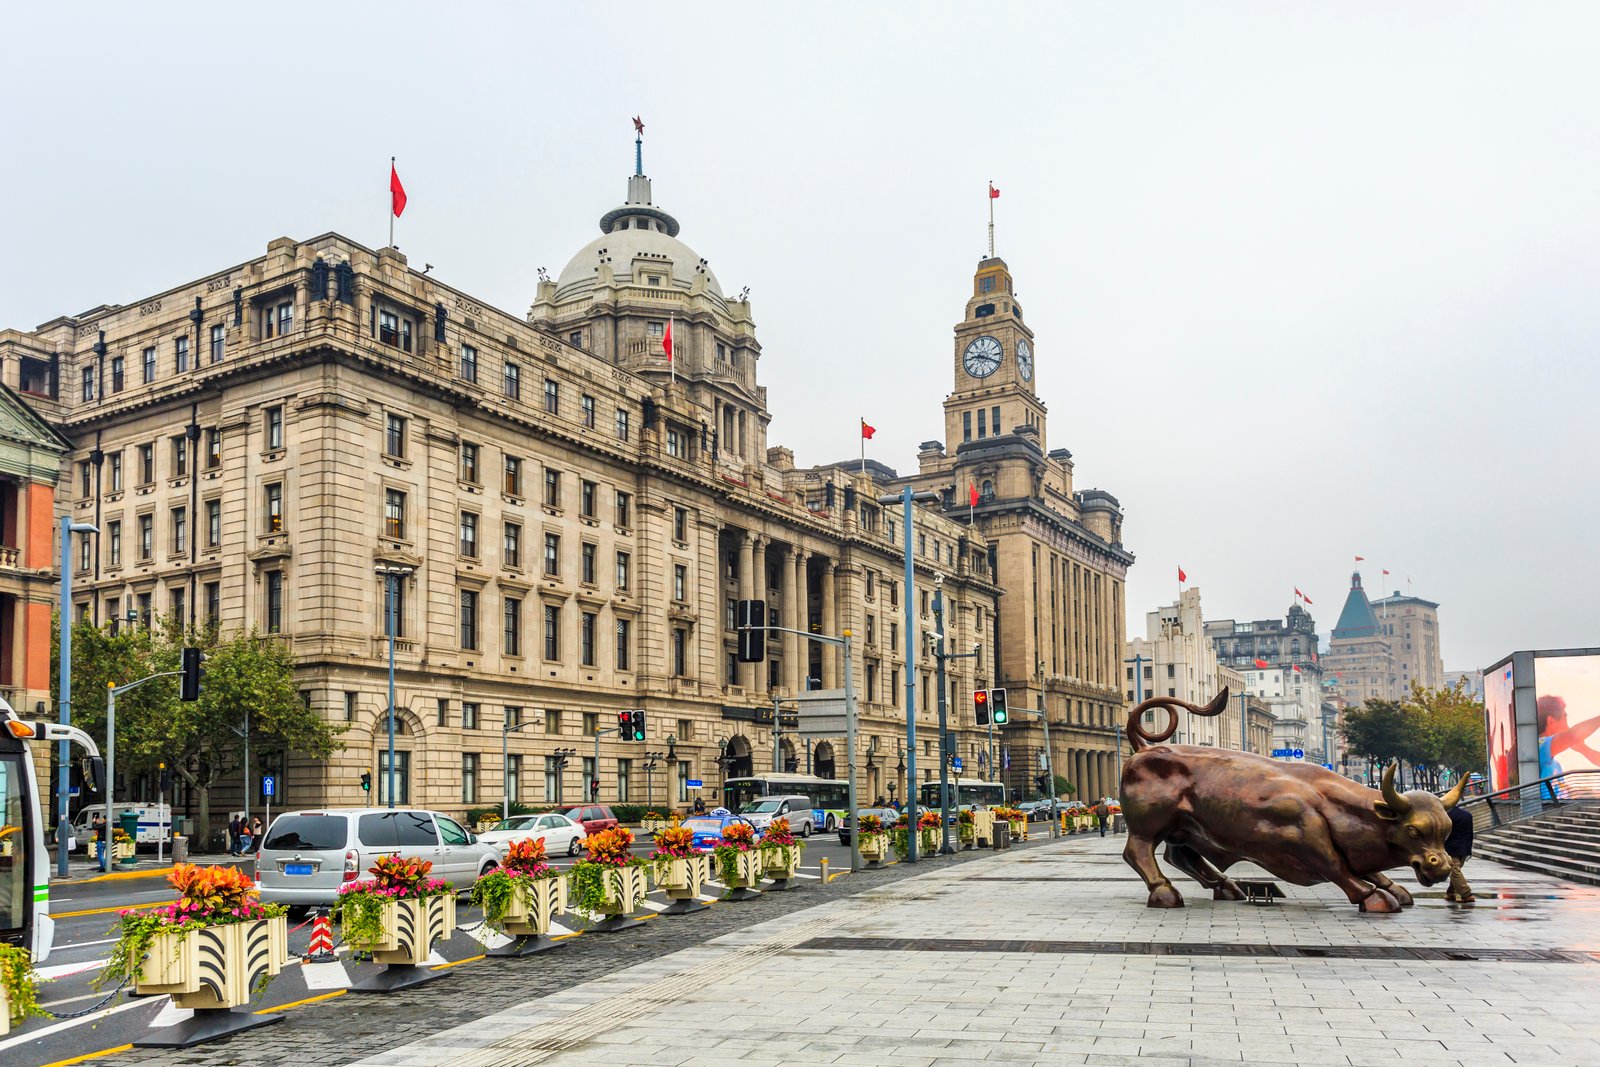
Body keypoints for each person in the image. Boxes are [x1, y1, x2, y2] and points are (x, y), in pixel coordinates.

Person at [1444, 804, 1475, 903]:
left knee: (1454, 872)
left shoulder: (1447, 816)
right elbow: (1470, 833)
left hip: (1451, 848)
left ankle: (1466, 895)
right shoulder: (1467, 815)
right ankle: (1450, 893)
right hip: (1464, 848)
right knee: (1456, 871)